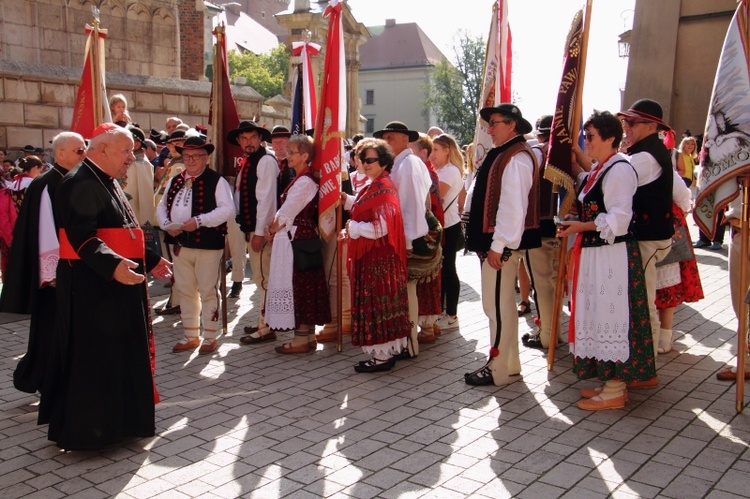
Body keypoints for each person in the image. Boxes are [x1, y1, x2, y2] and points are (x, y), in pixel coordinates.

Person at [47, 123, 172, 450]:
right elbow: (84, 236)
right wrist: (113, 265)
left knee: (121, 357)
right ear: (101, 150)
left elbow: (124, 230)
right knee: (97, 360)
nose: (133, 157)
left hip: (117, 284)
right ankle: (93, 433)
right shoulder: (78, 182)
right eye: (126, 150)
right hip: (94, 287)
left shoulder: (105, 180)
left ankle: (125, 422)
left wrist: (150, 257)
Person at [558, 110, 656, 411]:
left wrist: (581, 227)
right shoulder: (601, 169)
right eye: (584, 137)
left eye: (590, 137)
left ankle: (615, 389)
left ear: (610, 138)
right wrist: (574, 219)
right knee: (598, 316)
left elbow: (619, 220)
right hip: (596, 254)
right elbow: (595, 209)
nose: (585, 142)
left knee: (611, 317)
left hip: (612, 257)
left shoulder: (620, 170)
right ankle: (610, 381)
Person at [0, 132, 86, 400]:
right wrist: (51, 272)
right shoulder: (46, 184)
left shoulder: (71, 179)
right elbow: (46, 231)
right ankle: (45, 379)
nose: (84, 155)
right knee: (50, 329)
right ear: (60, 153)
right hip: (53, 274)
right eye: (79, 151)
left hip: (71, 268)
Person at [463, 103, 540, 386]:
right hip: (497, 244)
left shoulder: (516, 157)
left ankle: (498, 367)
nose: (489, 129)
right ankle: (507, 365)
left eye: (494, 123)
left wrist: (499, 245)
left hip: (501, 246)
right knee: (500, 304)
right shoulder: (507, 154)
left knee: (497, 305)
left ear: (512, 125)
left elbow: (512, 207)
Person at [157, 135, 234, 354]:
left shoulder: (216, 180)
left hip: (208, 244)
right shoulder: (175, 179)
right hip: (180, 243)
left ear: (205, 158)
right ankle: (191, 335)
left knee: (208, 290)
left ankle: (210, 336)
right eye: (187, 156)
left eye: (196, 156)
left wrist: (199, 221)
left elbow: (227, 210)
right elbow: (162, 206)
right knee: (185, 290)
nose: (190, 161)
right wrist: (165, 224)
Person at [340, 139, 411, 372]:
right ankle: (387, 352)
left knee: (378, 306)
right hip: (374, 258)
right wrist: (348, 201)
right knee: (382, 306)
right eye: (363, 159)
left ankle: (381, 357)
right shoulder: (374, 185)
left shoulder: (384, 188)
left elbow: (381, 228)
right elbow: (365, 208)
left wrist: (354, 229)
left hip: (379, 260)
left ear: (383, 162)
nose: (366, 163)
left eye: (371, 159)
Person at [618, 99, 676, 373]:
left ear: (652, 126)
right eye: (625, 122)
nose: (626, 127)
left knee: (642, 300)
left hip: (648, 237)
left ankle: (645, 365)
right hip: (649, 234)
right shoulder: (646, 152)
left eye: (632, 122)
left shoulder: (644, 156)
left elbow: (615, 186)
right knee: (640, 298)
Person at [263, 135, 331, 353]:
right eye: (288, 151)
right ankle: (308, 336)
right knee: (303, 286)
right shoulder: (300, 178)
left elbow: (285, 214)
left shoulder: (305, 181)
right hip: (297, 238)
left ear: (305, 155)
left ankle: (301, 339)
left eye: (292, 152)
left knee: (300, 286)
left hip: (297, 240)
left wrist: (270, 230)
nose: (288, 155)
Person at [373, 121, 432, 358]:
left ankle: (410, 343)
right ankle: (408, 342)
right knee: (405, 291)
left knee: (406, 291)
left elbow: (410, 207)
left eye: (392, 138)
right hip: (403, 236)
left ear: (406, 140)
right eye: (384, 138)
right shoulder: (403, 163)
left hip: (406, 238)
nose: (387, 142)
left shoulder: (407, 164)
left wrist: (406, 243)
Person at [228, 121, 278, 343]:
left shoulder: (265, 161)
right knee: (260, 278)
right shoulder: (249, 161)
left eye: (253, 138)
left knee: (263, 278)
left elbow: (266, 199)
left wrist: (259, 232)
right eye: (244, 139)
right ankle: (264, 320)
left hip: (262, 231)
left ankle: (266, 326)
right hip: (251, 228)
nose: (248, 142)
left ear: (260, 139)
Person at [520, 115, 565, 349]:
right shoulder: (566, 154)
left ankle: (547, 333)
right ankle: (553, 331)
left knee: (543, 285)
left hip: (538, 228)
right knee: (555, 283)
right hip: (562, 227)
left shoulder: (535, 152)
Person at [409, 132, 443, 344]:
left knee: (426, 280)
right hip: (430, 231)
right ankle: (431, 324)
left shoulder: (425, 173)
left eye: (411, 150)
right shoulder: (425, 171)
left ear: (424, 152)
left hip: (427, 233)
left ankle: (428, 326)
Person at [430, 133, 466, 332]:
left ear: (447, 150)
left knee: (448, 270)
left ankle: (451, 315)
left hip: (449, 226)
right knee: (443, 270)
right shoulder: (443, 170)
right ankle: (443, 311)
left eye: (436, 150)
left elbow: (436, 198)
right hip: (445, 225)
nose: (432, 154)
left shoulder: (450, 171)